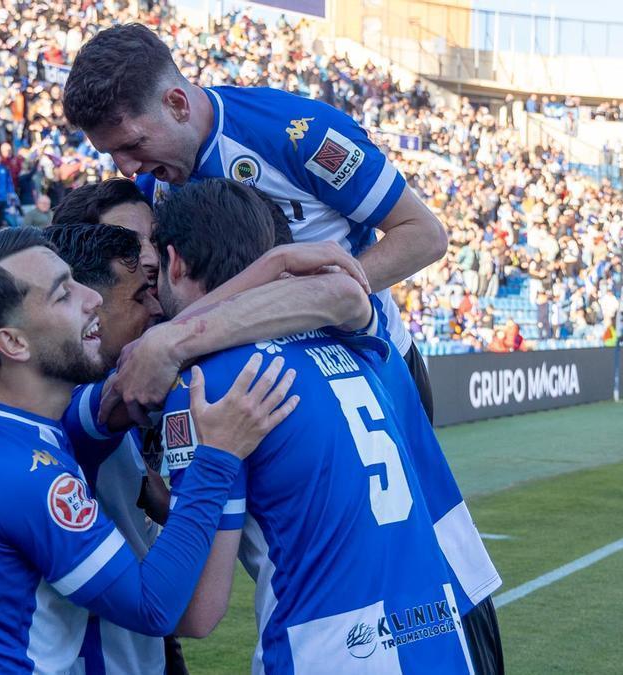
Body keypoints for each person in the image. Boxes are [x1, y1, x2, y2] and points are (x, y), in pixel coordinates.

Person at [149, 180, 500, 674]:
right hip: (441, 642)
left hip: (328, 651)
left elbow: (196, 610)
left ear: (176, 261)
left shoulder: (207, 383)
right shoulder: (363, 341)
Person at [0, 227, 296, 672]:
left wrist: (275, 267)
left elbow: (149, 356)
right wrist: (217, 460)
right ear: (14, 343)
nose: (92, 297)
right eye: (63, 294)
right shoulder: (25, 474)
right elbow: (155, 607)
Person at [65, 24, 449, 421]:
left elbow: (424, 235)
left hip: (369, 365)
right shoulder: (153, 178)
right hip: (256, 384)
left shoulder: (299, 133)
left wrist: (311, 295)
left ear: (177, 104)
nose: (126, 169)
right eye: (112, 154)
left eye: (132, 145)